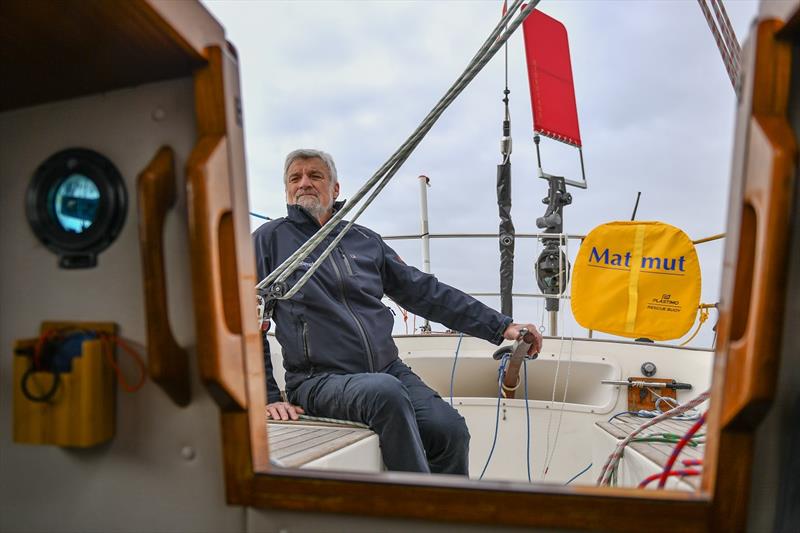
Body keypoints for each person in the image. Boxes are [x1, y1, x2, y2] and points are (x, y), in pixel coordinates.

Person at [253, 148, 543, 475]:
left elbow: (424, 292)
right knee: (385, 393)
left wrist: (502, 326)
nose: (304, 183)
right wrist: (268, 394)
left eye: (315, 175)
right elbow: (245, 320)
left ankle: (450, 514)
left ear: (335, 189)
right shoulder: (268, 241)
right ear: (287, 190)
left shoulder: (364, 240)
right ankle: (415, 511)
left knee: (449, 429)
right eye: (295, 177)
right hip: (318, 380)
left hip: (387, 369)